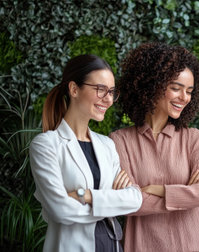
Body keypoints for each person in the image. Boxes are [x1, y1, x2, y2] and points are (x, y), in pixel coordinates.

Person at [29, 54, 143, 252]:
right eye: (100, 90)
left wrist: (87, 195)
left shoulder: (107, 144)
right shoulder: (46, 145)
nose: (108, 99)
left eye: (112, 92)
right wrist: (113, 201)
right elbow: (61, 210)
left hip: (111, 245)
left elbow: (135, 199)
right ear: (74, 89)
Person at [109, 42, 199, 252]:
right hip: (142, 245)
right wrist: (185, 196)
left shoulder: (194, 139)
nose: (184, 97)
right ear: (152, 85)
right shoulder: (119, 141)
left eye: (189, 91)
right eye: (176, 88)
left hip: (193, 245)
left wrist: (153, 190)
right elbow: (128, 203)